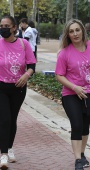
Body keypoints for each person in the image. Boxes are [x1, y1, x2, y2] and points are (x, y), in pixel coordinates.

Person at [0, 16, 36, 170]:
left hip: (18, 88)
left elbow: (31, 65)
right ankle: (3, 155)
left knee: (12, 119)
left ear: (14, 27)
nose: (3, 28)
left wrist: (26, 74)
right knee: (5, 119)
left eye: (7, 26)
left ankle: (10, 148)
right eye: (1, 26)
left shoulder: (24, 44)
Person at [55, 19, 90, 170]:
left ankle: (82, 154)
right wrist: (75, 87)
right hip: (71, 93)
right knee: (76, 124)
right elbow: (59, 75)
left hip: (88, 93)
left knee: (85, 126)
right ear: (68, 35)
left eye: (77, 30)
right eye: (71, 31)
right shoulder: (65, 53)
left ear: (83, 31)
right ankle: (77, 160)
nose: (75, 34)